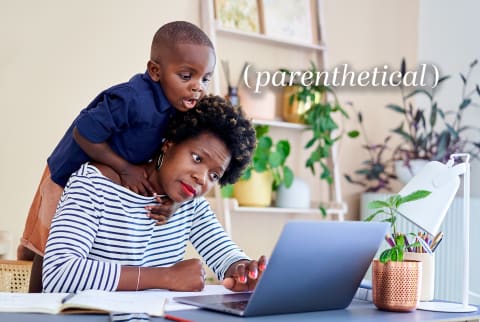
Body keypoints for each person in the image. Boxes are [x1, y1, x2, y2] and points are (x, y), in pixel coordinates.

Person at [19, 20, 216, 267]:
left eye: (206, 79)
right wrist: (124, 169)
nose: (198, 87)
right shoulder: (131, 99)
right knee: (48, 246)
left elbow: (169, 158)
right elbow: (84, 133)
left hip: (110, 182)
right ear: (155, 71)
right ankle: (36, 297)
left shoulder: (182, 107)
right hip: (67, 173)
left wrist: (174, 201)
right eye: (187, 76)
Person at [42, 95, 265, 293]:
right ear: (168, 145)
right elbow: (58, 274)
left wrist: (242, 270)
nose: (201, 178)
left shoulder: (190, 206)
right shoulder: (94, 185)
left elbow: (225, 255)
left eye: (214, 176)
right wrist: (166, 277)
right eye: (197, 158)